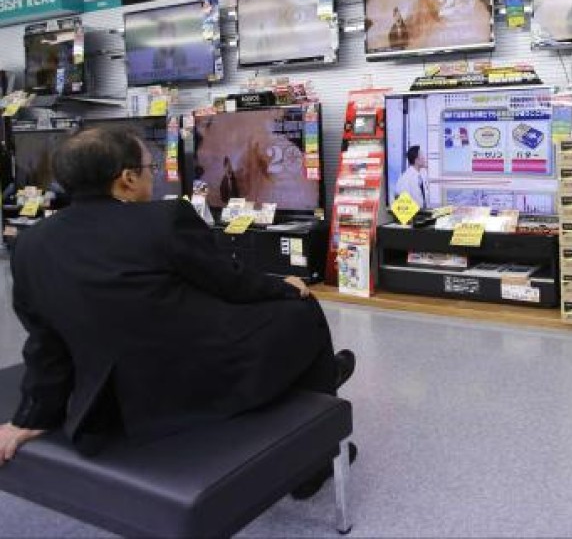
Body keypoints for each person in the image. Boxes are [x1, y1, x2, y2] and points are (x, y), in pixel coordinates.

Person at [0, 127, 354, 499]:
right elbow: (231, 283)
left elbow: (46, 344)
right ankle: (314, 459)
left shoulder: (29, 244)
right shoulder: (163, 218)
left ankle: (324, 375)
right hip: (197, 381)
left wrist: (31, 418)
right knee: (301, 310)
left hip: (115, 404)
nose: (154, 177)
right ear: (127, 179)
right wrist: (286, 285)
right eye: (150, 168)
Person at [393, 144, 428, 209]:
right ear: (416, 160)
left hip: (422, 214)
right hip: (413, 217)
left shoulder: (422, 175)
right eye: (422, 155)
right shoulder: (406, 178)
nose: (425, 158)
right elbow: (401, 207)